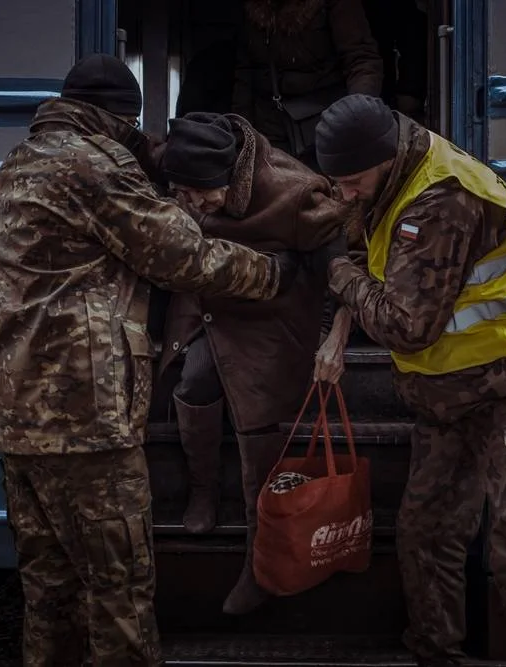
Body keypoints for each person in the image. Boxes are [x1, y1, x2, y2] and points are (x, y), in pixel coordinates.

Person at [0, 54, 300, 667]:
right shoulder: (94, 165)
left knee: (49, 589)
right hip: (83, 412)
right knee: (119, 591)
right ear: (116, 116)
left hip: (16, 409)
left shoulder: (19, 163)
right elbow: (181, 257)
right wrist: (276, 274)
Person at [312, 94, 506, 667]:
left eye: (351, 182)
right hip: (447, 396)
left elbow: (407, 326)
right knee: (426, 533)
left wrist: (341, 279)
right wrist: (342, 318)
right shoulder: (390, 178)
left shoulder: (442, 201)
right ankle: (435, 655)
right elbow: (364, 245)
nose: (344, 195)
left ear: (385, 158)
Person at [157, 111, 348, 615]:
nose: (189, 204)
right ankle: (202, 492)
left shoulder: (299, 192)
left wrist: (332, 336)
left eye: (197, 194)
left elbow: (341, 270)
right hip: (205, 307)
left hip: (274, 318)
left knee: (256, 418)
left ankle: (259, 561)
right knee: (192, 383)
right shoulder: (187, 179)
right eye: (180, 193)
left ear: (227, 178)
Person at [232, 0, 384, 169]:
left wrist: (357, 117)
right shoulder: (252, 8)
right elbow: (244, 74)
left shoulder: (335, 5)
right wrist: (242, 133)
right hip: (269, 122)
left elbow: (361, 60)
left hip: (326, 120)